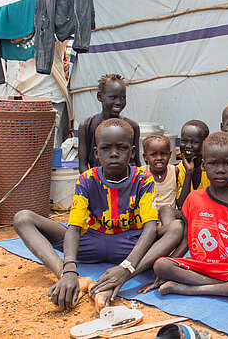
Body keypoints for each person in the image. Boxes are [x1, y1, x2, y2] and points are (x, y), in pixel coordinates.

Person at [13, 118, 183, 311]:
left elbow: (150, 228)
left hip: (130, 244)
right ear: (96, 153)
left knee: (177, 227)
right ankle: (69, 278)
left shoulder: (142, 179)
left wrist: (126, 267)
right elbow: (74, 229)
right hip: (89, 242)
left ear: (133, 152)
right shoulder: (87, 179)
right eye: (105, 148)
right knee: (23, 218)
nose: (114, 154)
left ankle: (124, 277)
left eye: (122, 148)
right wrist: (69, 267)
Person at [141, 132, 228, 303]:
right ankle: (227, 288)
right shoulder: (194, 198)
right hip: (199, 266)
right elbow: (186, 241)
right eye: (213, 164)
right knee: (161, 265)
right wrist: (170, 265)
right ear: (203, 166)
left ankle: (188, 289)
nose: (221, 170)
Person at [78, 73, 141, 173]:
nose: (118, 102)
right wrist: (93, 184)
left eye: (123, 98)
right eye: (113, 97)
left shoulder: (132, 127)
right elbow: (83, 166)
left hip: (126, 183)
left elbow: (136, 163)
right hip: (97, 183)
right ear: (99, 96)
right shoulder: (87, 126)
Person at [142, 133, 177, 209]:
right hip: (149, 216)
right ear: (145, 157)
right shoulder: (142, 173)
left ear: (170, 155)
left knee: (166, 211)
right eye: (154, 155)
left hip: (169, 216)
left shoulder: (174, 171)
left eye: (163, 154)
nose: (159, 158)